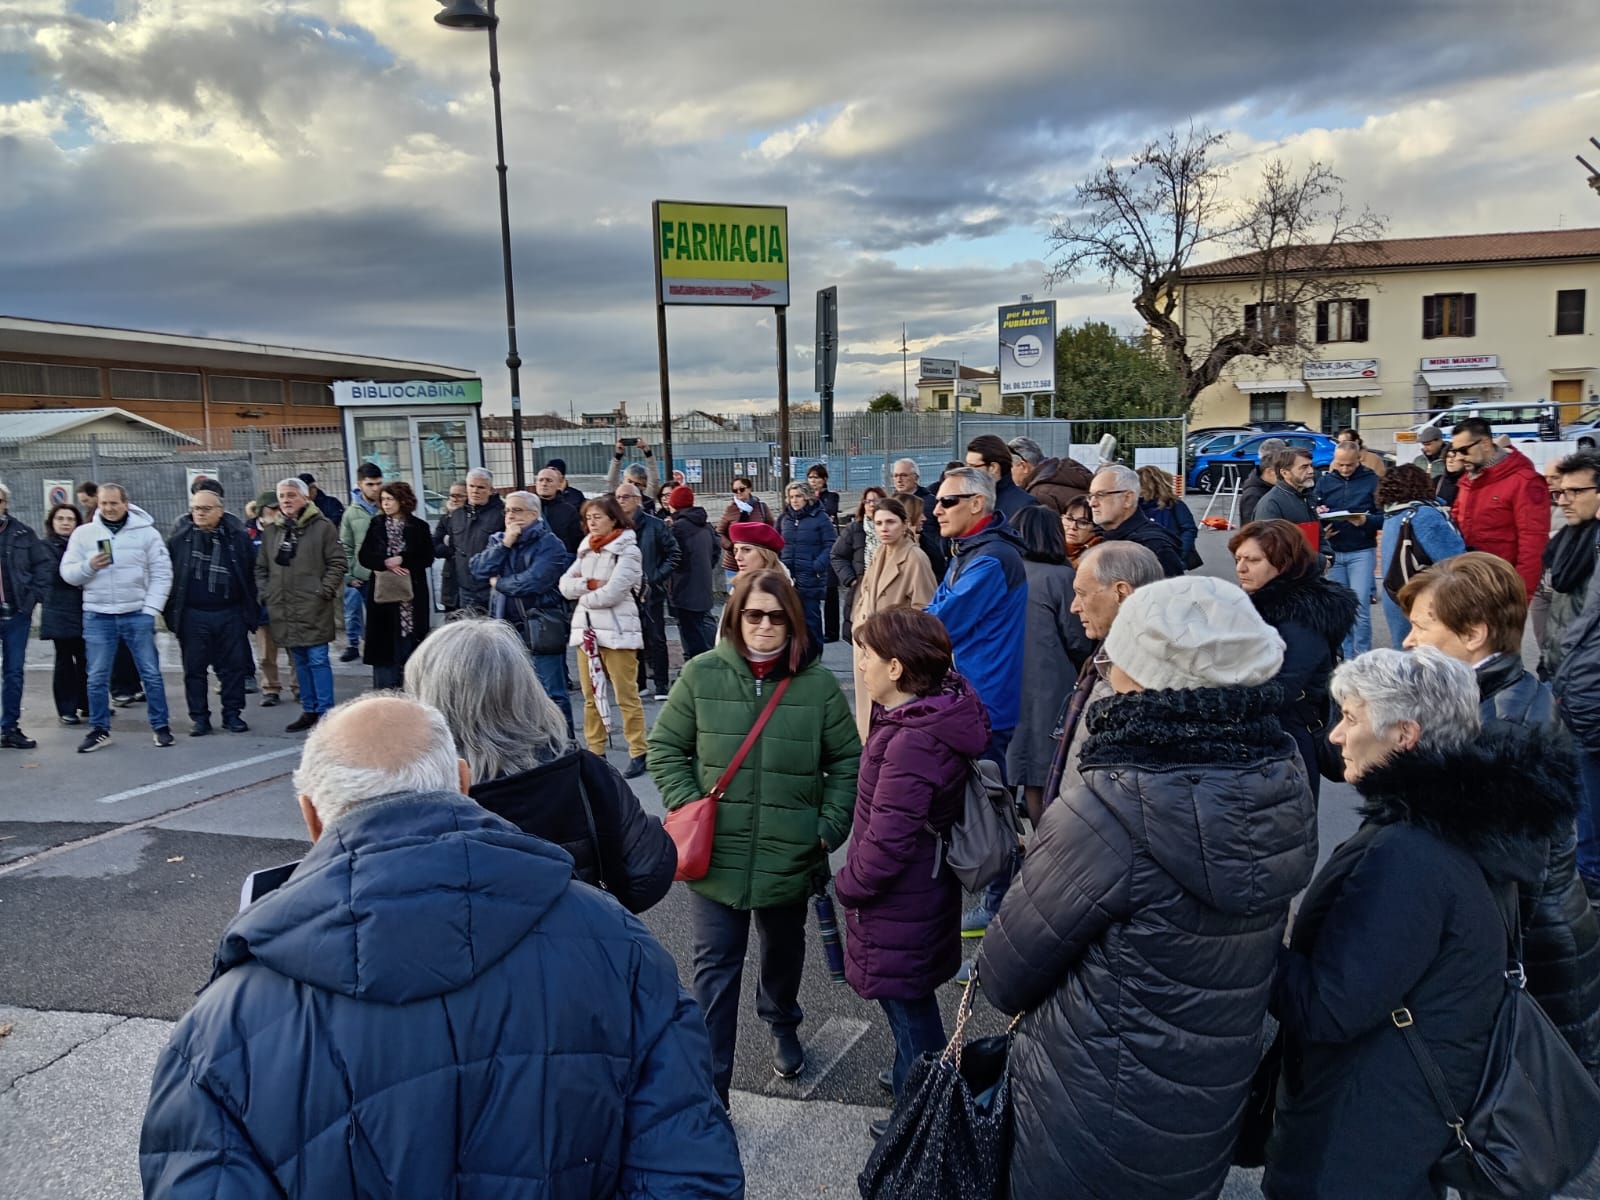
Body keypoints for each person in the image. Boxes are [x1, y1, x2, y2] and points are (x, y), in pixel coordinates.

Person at [138, 693, 743, 1198]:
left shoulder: (219, 1032)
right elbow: (688, 1171)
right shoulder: (616, 944)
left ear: (312, 818)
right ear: (461, 781)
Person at [978, 574, 1317, 1200]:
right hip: (1208, 1098)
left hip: (1088, 1104)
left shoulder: (1110, 807)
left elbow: (1004, 974)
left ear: (1140, 671)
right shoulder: (1281, 774)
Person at [1263, 648, 1572, 1199]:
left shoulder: (1408, 855)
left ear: (1404, 735)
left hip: (1363, 1136)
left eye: (1351, 718)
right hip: (1412, 1120)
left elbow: (1330, 1007)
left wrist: (1255, 942)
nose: (1335, 736)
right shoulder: (1474, 824)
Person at [647, 570, 860, 1106]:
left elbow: (848, 764)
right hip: (715, 858)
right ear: (735, 616)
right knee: (714, 970)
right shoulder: (701, 674)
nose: (764, 626)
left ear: (793, 620)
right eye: (753, 614)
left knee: (782, 952)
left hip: (791, 856)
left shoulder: (816, 687)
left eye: (776, 616)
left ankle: (783, 1021)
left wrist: (824, 832)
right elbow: (667, 748)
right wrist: (690, 802)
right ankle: (713, 1081)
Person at [1398, 553, 1600, 1077]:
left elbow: (1491, 878)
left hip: (1537, 949)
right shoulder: (1489, 699)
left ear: (1474, 634)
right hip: (1541, 935)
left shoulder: (1501, 726)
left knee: (1540, 1098)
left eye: (1423, 626)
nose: (1408, 640)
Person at [405, 617, 675, 913]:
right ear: (527, 687)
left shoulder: (413, 799)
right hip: (582, 945)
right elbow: (647, 871)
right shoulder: (584, 772)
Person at [836, 608, 986, 1135]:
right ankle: (913, 1078)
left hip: (899, 902)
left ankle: (921, 1118)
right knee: (909, 1003)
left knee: (910, 1010)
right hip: (923, 891)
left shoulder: (910, 741)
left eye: (868, 656)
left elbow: (887, 843)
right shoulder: (921, 718)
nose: (860, 666)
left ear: (897, 668)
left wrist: (848, 884)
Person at [927, 467, 1028, 941]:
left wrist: (903, 626)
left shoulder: (990, 559)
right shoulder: (970, 551)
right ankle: (991, 898)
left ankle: (1003, 908)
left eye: (947, 502)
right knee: (971, 806)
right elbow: (936, 608)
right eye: (938, 501)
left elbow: (940, 622)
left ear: (977, 505)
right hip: (969, 695)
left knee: (988, 810)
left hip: (984, 700)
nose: (936, 509)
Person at [1231, 518, 1358, 800]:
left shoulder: (1302, 617)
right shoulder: (1255, 604)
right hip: (1265, 733)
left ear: (1283, 563)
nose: (1241, 568)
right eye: (1238, 558)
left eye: (1253, 560)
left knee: (1291, 820)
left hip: (1291, 736)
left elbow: (1283, 687)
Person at [1047, 543, 1166, 805]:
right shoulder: (1110, 654)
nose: (1074, 607)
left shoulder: (1143, 671)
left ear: (1121, 593)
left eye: (1081, 593)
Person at [59, 483, 175, 752]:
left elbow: (162, 573)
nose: (109, 509)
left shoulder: (146, 533)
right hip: (98, 615)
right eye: (103, 504)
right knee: (97, 676)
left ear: (126, 503)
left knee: (151, 674)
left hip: (136, 614)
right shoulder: (84, 533)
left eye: (114, 503)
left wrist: (150, 611)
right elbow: (67, 572)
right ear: (97, 505)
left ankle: (161, 726)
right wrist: (89, 567)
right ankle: (99, 729)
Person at [1007, 505, 1092, 825]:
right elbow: (1077, 639)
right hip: (1049, 685)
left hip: (1005, 680)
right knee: (1042, 775)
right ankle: (1046, 852)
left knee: (1008, 770)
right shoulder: (1062, 576)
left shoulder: (999, 571)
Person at [470, 490, 574, 734]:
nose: (509, 515)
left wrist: (500, 584)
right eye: (507, 510)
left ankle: (565, 745)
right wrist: (506, 544)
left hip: (540, 625)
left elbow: (534, 581)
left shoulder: (550, 543)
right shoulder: (499, 540)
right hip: (504, 627)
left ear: (534, 514)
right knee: (513, 694)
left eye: (516, 510)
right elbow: (478, 569)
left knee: (552, 693)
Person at [560, 495, 648, 779]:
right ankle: (595, 751)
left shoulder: (628, 551)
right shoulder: (585, 548)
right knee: (590, 696)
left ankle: (638, 751)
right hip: (587, 632)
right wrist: (589, 584)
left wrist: (584, 595)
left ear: (613, 518)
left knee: (626, 695)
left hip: (619, 632)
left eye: (598, 516)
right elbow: (564, 585)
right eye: (588, 518)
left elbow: (615, 592)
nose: (592, 522)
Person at [255, 477, 347, 734]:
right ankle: (309, 709)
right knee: (299, 660)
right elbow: (261, 567)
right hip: (283, 606)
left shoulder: (322, 527)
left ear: (305, 498)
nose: (286, 500)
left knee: (317, 659)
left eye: (292, 495)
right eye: (282, 495)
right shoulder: (273, 530)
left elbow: (338, 563)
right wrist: (266, 593)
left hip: (313, 605)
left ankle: (326, 713)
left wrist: (324, 591)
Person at [164, 488, 257, 736]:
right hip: (193, 614)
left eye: (206, 509)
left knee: (233, 669)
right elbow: (168, 575)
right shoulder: (180, 537)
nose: (200, 513)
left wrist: (250, 611)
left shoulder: (237, 536)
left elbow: (251, 572)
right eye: (195, 508)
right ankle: (199, 719)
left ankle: (232, 714)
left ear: (220, 511)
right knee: (194, 670)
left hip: (230, 612)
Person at [848, 496, 936, 741]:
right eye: (878, 523)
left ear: (905, 523)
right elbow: (866, 595)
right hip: (868, 647)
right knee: (869, 720)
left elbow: (926, 611)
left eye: (890, 522)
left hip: (894, 651)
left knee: (892, 722)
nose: (884, 528)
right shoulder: (879, 552)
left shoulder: (916, 558)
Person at [1450, 416, 1549, 600]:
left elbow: (1533, 544)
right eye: (1455, 451)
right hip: (1469, 584)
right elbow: (1457, 522)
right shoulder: (1468, 479)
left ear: (1486, 443)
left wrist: (1520, 597)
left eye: (1463, 450)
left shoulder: (1524, 481)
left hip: (1501, 589)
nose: (1460, 457)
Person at [1374, 463, 1464, 646]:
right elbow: (1454, 559)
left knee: (1405, 649)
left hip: (1396, 591)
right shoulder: (1423, 515)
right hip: (1424, 595)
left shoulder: (1392, 515)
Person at [356, 481, 433, 690]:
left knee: (411, 646)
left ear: (402, 500)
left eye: (390, 499)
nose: (386, 504)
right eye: (383, 500)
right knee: (385, 650)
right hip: (383, 596)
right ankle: (385, 696)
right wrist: (384, 562)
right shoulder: (376, 524)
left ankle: (412, 692)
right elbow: (364, 556)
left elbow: (427, 558)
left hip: (410, 596)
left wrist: (403, 559)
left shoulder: (419, 526)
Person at [1313, 443, 1385, 657]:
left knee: (1361, 607)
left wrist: (1366, 521)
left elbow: (1384, 517)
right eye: (1340, 464)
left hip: (1361, 550)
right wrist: (1319, 515)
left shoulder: (1372, 481)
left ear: (1359, 459)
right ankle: (1345, 656)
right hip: (1334, 550)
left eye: (1350, 465)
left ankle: (1362, 656)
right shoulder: (1324, 481)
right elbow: (1313, 510)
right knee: (1339, 608)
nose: (1344, 469)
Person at [0, 482, 57, 749]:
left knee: (13, 672)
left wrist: (33, 597)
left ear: (5, 503)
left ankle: (9, 728)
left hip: (16, 615)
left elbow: (44, 565)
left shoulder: (23, 533)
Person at [617, 481, 679, 702]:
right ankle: (640, 683)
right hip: (625, 592)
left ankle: (661, 684)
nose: (620, 501)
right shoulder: (615, 527)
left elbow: (674, 554)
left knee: (657, 638)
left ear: (637, 499)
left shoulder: (655, 525)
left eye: (625, 497)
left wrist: (654, 578)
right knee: (634, 638)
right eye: (618, 497)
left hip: (651, 591)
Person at [1542, 450, 1600, 681]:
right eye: (1561, 492)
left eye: (1575, 491)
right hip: (1559, 669)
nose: (1563, 501)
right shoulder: (1568, 538)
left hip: (1588, 680)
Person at [246, 493, 297, 709]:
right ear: (262, 510)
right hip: (262, 602)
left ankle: (298, 687)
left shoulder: (288, 529)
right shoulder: (247, 533)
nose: (277, 512)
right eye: (272, 508)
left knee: (295, 650)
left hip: (288, 599)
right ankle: (270, 688)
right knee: (266, 653)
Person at [39, 503, 88, 727]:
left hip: (85, 609)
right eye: (60, 518)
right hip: (59, 610)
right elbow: (56, 576)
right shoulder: (45, 547)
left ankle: (88, 703)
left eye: (70, 519)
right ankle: (67, 708)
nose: (66, 522)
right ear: (52, 522)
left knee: (89, 660)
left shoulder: (85, 544)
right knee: (65, 660)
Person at [1087, 464, 1184, 577]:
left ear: (1128, 498)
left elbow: (1172, 592)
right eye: (1091, 496)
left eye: (1101, 495)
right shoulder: (1096, 537)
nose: (1092, 503)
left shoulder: (1153, 546)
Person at [776, 479, 834, 651]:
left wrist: (817, 566)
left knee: (811, 619)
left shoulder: (820, 518)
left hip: (810, 577)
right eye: (791, 496)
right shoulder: (784, 519)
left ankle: (815, 655)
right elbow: (774, 543)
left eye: (799, 496)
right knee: (788, 619)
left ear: (807, 497)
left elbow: (831, 544)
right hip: (787, 577)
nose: (794, 500)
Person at [664, 484, 718, 662]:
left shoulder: (678, 528)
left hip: (684, 588)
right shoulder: (705, 525)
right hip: (702, 586)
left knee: (692, 636)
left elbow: (672, 557)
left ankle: (699, 671)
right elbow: (715, 552)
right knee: (699, 628)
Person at [439, 468, 506, 611]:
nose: (475, 491)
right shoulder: (457, 514)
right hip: (466, 588)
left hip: (492, 586)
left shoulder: (503, 513)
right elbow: (450, 544)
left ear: (491, 490)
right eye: (471, 486)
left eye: (481, 487)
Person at [337, 462, 382, 662]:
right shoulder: (351, 512)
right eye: (370, 484)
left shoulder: (386, 505)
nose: (375, 488)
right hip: (360, 574)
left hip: (383, 573)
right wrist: (348, 575)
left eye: (378, 484)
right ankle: (353, 644)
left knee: (379, 615)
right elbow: (345, 545)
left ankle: (376, 646)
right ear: (360, 484)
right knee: (352, 610)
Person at [831, 486, 886, 640]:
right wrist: (851, 579)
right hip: (862, 589)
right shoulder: (855, 529)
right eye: (868, 501)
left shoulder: (889, 530)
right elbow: (837, 555)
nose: (871, 504)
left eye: (876, 500)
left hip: (885, 588)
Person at [1008, 435, 1093, 514]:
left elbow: (1048, 529)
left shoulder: (1039, 494)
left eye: (1010, 467)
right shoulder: (1068, 470)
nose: (1008, 473)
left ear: (1024, 466)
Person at [965, 433, 1039, 520]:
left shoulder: (1026, 506)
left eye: (973, 467)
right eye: (966, 466)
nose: (967, 472)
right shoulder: (968, 500)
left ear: (993, 467)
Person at [1137, 465, 1199, 568]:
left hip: (1170, 560)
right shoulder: (1135, 506)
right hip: (1143, 563)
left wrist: (1179, 554)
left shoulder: (1174, 504)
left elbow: (1189, 529)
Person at [806, 464, 842, 641]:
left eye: (816, 478)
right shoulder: (806, 498)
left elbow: (829, 511)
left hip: (829, 546)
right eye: (811, 478)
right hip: (812, 546)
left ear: (824, 479)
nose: (813, 481)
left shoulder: (831, 496)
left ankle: (832, 631)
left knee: (830, 590)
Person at [716, 476, 774, 582]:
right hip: (734, 563)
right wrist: (731, 546)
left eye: (741, 489)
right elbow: (719, 533)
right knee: (736, 596)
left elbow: (771, 529)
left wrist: (763, 547)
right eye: (735, 490)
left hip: (757, 561)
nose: (738, 492)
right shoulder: (731, 509)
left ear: (749, 489)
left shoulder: (761, 507)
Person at [1253, 446, 1319, 532]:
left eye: (1311, 466)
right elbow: (1269, 542)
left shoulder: (1307, 495)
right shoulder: (1271, 504)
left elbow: (1318, 536)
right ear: (1285, 473)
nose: (1311, 471)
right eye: (1304, 467)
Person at [434, 480, 467, 611]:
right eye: (452, 495)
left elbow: (462, 542)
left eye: (460, 496)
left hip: (470, 583)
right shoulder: (445, 519)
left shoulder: (474, 519)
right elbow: (436, 545)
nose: (454, 499)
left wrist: (449, 541)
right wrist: (451, 551)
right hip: (451, 581)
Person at [534, 466, 582, 554]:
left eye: (549, 480)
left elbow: (576, 542)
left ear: (558, 485)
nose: (544, 484)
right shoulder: (528, 508)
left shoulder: (569, 511)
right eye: (540, 480)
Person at [1238, 439, 1287, 526]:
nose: (1286, 476)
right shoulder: (1253, 495)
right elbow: (1251, 529)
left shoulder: (1274, 486)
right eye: (1283, 471)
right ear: (1270, 471)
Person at [1060, 495, 1101, 568]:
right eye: (1069, 519)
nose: (1073, 527)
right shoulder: (1046, 548)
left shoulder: (1097, 557)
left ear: (1096, 528)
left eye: (1083, 522)